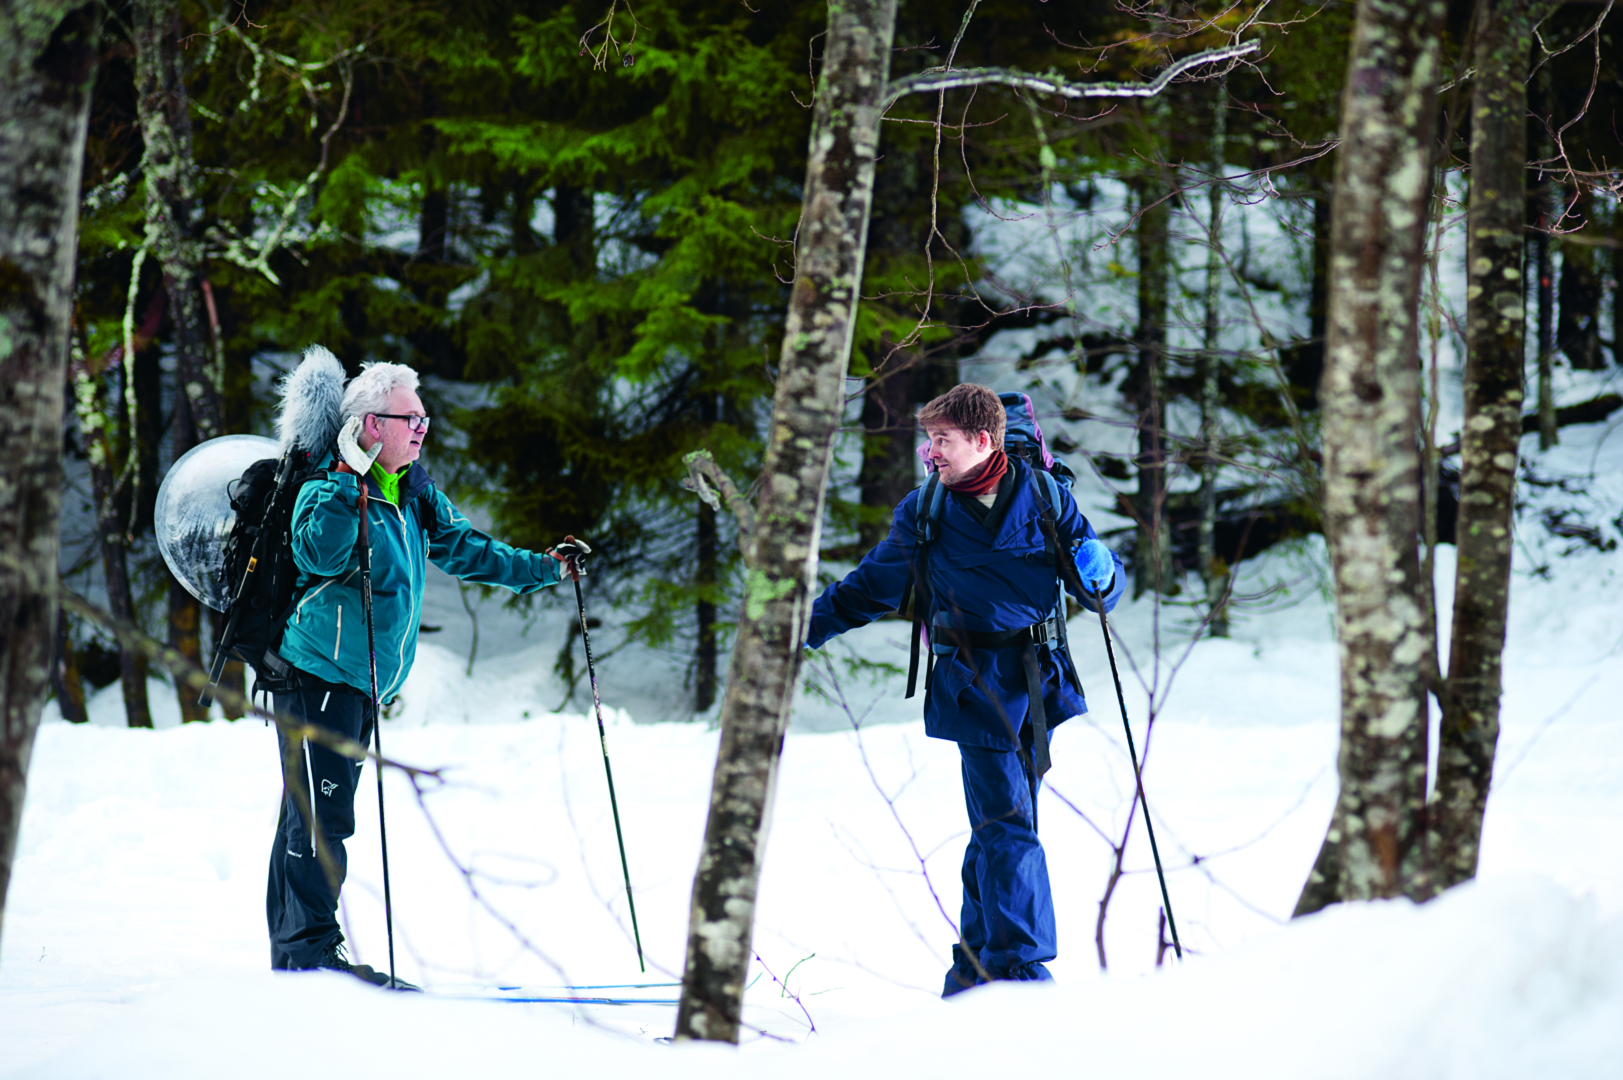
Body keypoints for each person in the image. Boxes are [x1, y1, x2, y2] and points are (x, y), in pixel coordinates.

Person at [266, 360, 587, 988]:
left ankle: (298, 955)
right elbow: (316, 552)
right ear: (366, 427)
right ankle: (308, 956)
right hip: (315, 676)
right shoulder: (329, 488)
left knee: (307, 813)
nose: (420, 430)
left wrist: (546, 568)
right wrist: (350, 477)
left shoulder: (409, 491)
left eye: (424, 419)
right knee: (321, 817)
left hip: (358, 682)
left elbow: (467, 549)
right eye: (408, 419)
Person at [806, 383, 1125, 996]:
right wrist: (801, 628)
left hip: (1039, 679)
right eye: (929, 440)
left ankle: (974, 968)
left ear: (983, 441)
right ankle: (1019, 968)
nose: (932, 453)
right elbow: (872, 586)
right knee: (1009, 823)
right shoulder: (924, 509)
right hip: (971, 683)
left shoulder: (1044, 496)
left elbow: (1097, 590)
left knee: (1000, 826)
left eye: (943, 440)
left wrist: (1103, 575)